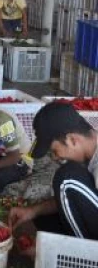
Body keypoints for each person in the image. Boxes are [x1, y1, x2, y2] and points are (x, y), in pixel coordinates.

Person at [9, 103, 98, 253]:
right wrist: (32, 211)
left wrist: (57, 249)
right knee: (44, 220)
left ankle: (82, 256)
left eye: (54, 151)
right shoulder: (89, 152)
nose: (56, 158)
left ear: (72, 140)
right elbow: (79, 199)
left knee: (67, 179)